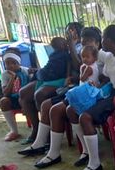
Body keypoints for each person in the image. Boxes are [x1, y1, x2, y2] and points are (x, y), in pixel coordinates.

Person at [35, 17, 115, 170]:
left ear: (108, 41)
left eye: (103, 38)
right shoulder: (109, 56)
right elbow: (91, 54)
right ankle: (86, 152)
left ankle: (95, 164)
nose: (101, 42)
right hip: (112, 93)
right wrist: (74, 43)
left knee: (85, 117)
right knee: (71, 110)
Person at [18, 26, 103, 158]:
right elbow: (79, 70)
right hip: (78, 89)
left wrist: (72, 48)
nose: (85, 45)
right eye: (83, 42)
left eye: (89, 42)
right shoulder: (84, 53)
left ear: (97, 43)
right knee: (46, 105)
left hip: (86, 94)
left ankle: (55, 152)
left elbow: (87, 72)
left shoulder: (100, 57)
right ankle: (41, 143)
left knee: (55, 109)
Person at [18, 37, 71, 144]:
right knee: (23, 93)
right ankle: (36, 129)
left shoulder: (69, 53)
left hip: (60, 80)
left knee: (40, 94)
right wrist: (39, 72)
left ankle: (47, 132)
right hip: (47, 78)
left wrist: (39, 73)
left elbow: (59, 71)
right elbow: (49, 69)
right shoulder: (55, 55)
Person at [0, 49, 32, 141]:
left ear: (19, 63)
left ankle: (35, 128)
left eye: (14, 63)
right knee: (3, 101)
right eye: (7, 63)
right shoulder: (5, 74)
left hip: (26, 98)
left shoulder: (26, 71)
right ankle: (14, 131)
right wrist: (12, 78)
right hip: (13, 99)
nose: (10, 65)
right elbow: (5, 93)